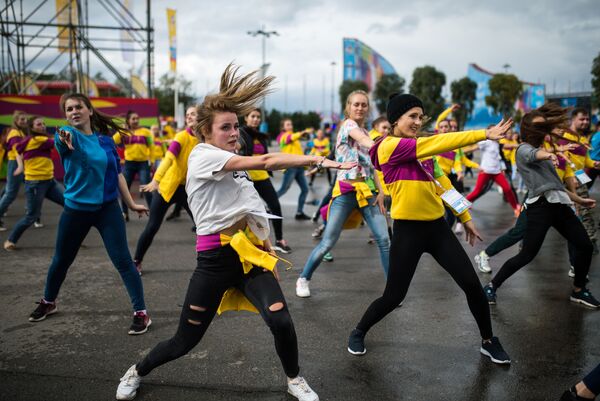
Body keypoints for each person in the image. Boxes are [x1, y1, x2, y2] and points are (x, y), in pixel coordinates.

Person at [115, 64, 354, 401]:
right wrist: (316, 159)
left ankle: (294, 379)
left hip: (249, 257)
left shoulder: (234, 166)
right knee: (185, 340)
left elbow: (253, 210)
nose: (233, 133)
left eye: (235, 126)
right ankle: (137, 370)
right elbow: (267, 161)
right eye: (225, 127)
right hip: (213, 261)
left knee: (281, 321)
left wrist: (268, 247)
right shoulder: (201, 156)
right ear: (206, 133)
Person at [347, 93, 513, 365]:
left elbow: (444, 183)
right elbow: (438, 141)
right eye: (411, 116)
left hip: (437, 229)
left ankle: (488, 341)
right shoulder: (388, 146)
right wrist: (483, 133)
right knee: (394, 296)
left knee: (472, 285)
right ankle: (359, 331)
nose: (417, 121)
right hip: (407, 231)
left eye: (419, 116)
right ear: (395, 119)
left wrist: (465, 216)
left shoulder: (424, 154)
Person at [28, 93, 152, 335]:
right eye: (69, 109)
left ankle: (141, 313)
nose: (74, 111)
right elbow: (63, 138)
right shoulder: (65, 134)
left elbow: (117, 175)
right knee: (61, 261)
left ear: (90, 111)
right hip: (75, 210)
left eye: (78, 107)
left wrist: (132, 203)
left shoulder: (106, 142)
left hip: (107, 210)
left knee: (124, 262)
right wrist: (64, 138)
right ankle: (48, 301)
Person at [482, 103, 599, 309]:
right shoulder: (522, 149)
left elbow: (555, 186)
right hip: (540, 209)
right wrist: (550, 154)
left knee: (585, 245)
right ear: (527, 130)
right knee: (527, 255)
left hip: (559, 206)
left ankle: (579, 290)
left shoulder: (544, 152)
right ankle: (492, 286)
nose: (541, 130)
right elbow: (532, 154)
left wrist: (580, 200)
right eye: (537, 127)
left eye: (543, 126)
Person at [296, 90, 390, 298]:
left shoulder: (366, 131)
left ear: (368, 108)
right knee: (328, 242)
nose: (360, 108)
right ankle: (304, 277)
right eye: (356, 104)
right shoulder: (349, 126)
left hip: (368, 193)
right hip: (346, 192)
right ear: (348, 107)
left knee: (384, 239)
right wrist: (386, 147)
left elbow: (372, 167)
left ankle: (393, 290)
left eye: (364, 105)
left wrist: (381, 191)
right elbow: (369, 145)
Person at [132, 107, 199, 274]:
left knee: (202, 226)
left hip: (187, 189)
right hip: (166, 188)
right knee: (152, 226)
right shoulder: (181, 136)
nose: (189, 116)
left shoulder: (204, 140)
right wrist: (156, 180)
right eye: (187, 114)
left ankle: (211, 264)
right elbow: (168, 158)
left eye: (193, 114)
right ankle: (136, 261)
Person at [4, 116, 64, 250]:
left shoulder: (28, 140)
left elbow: (17, 150)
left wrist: (20, 166)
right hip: (36, 184)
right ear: (31, 127)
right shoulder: (38, 140)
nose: (42, 126)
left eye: (43, 124)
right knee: (31, 216)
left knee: (70, 205)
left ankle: (70, 239)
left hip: (50, 182)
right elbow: (57, 141)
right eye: (38, 124)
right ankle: (10, 240)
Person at [239, 108, 292, 253]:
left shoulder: (261, 136)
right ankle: (244, 243)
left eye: (257, 117)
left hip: (262, 177)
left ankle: (280, 240)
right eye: (252, 116)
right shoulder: (241, 133)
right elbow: (239, 150)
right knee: (245, 212)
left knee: (275, 205)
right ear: (246, 118)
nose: (256, 119)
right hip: (247, 178)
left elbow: (266, 156)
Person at [561, 108, 600, 256]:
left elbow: (586, 160)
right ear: (573, 120)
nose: (585, 122)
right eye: (582, 119)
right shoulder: (562, 135)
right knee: (544, 212)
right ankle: (526, 240)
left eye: (587, 119)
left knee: (585, 210)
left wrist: (594, 164)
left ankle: (591, 240)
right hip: (563, 178)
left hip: (579, 176)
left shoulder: (583, 139)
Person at [465, 126, 520, 217]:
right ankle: (461, 205)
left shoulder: (497, 143)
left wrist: (520, 145)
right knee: (477, 191)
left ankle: (516, 208)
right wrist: (459, 151)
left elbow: (508, 146)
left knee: (507, 189)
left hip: (496, 172)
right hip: (485, 171)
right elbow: (473, 148)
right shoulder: (485, 142)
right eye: (494, 130)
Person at [113, 110, 154, 220]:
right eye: (133, 119)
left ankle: (153, 213)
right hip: (129, 163)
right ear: (128, 121)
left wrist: (153, 160)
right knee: (124, 188)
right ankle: (125, 213)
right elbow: (114, 140)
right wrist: (122, 130)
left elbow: (151, 146)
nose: (136, 120)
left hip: (143, 163)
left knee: (147, 188)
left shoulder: (146, 132)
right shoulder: (124, 132)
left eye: (137, 118)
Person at [276, 119, 313, 220]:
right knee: (284, 189)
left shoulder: (294, 137)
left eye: (291, 124)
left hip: (299, 167)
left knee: (305, 189)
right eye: (288, 124)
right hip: (290, 167)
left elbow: (298, 151)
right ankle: (268, 207)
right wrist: (303, 132)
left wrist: (306, 164)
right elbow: (291, 137)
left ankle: (299, 213)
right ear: (283, 127)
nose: (290, 126)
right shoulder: (284, 137)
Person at [0, 110, 27, 231]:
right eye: (21, 119)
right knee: (10, 193)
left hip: (17, 163)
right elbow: (17, 151)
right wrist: (20, 166)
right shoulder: (15, 133)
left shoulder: (19, 131)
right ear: (16, 121)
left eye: (25, 119)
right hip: (15, 163)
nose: (24, 121)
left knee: (7, 189)